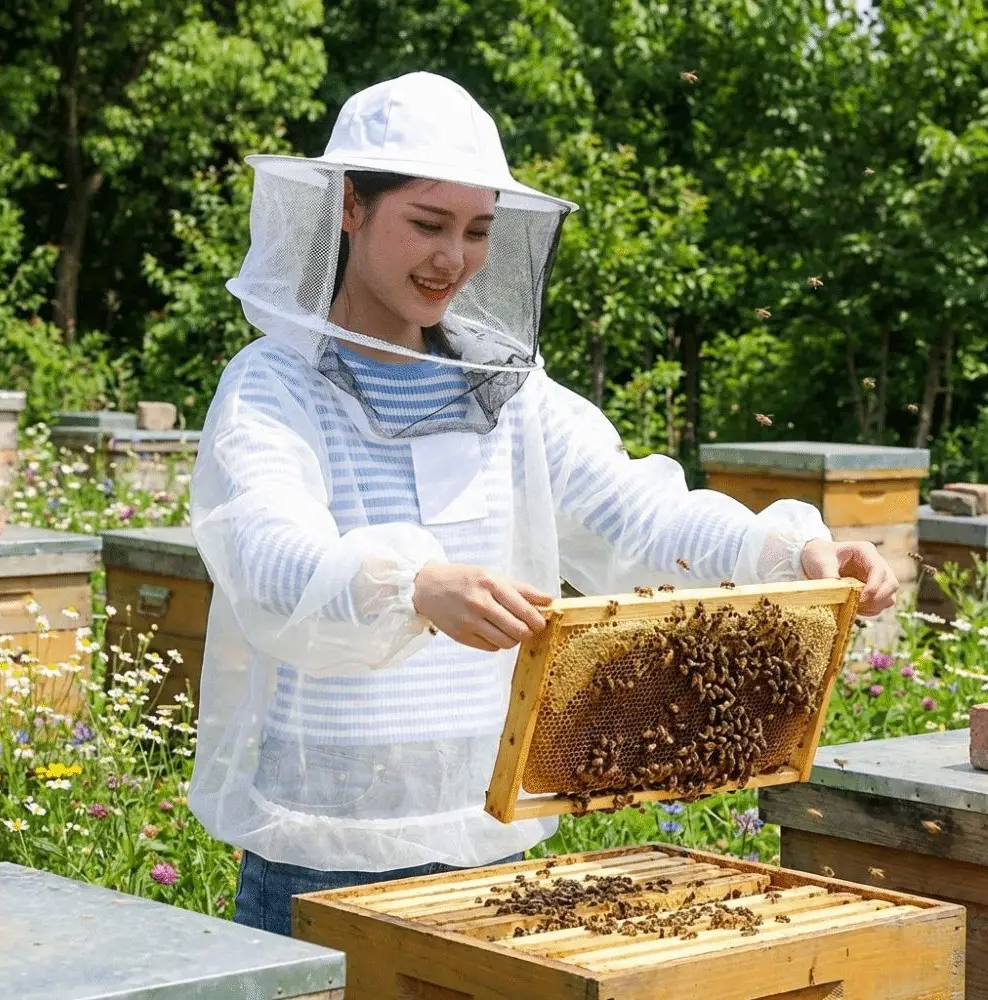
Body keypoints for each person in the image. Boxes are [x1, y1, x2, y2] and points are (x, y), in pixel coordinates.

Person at [187, 71, 899, 937]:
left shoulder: (511, 391)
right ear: (350, 206)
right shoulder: (273, 385)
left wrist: (784, 554)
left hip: (494, 837)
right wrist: (413, 584)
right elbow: (265, 553)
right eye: (427, 224)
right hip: (324, 846)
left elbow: (638, 512)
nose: (453, 259)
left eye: (478, 231)